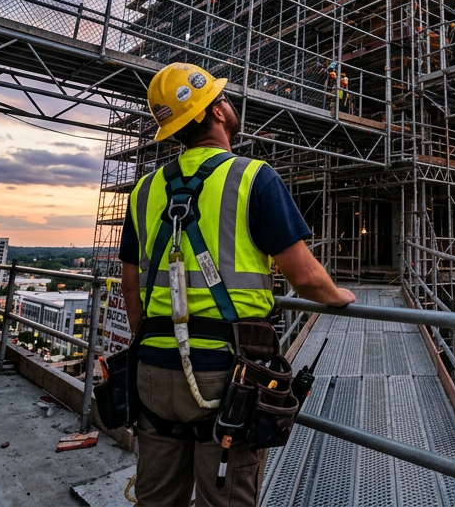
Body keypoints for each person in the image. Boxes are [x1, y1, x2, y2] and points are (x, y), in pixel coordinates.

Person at [119, 62, 356, 507]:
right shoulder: (252, 177)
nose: (229, 103)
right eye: (223, 98)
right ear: (216, 113)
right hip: (228, 376)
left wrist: (149, 343)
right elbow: (304, 276)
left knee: (156, 499)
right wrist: (337, 295)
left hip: (152, 369)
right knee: (226, 498)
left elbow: (130, 288)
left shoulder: (145, 190)